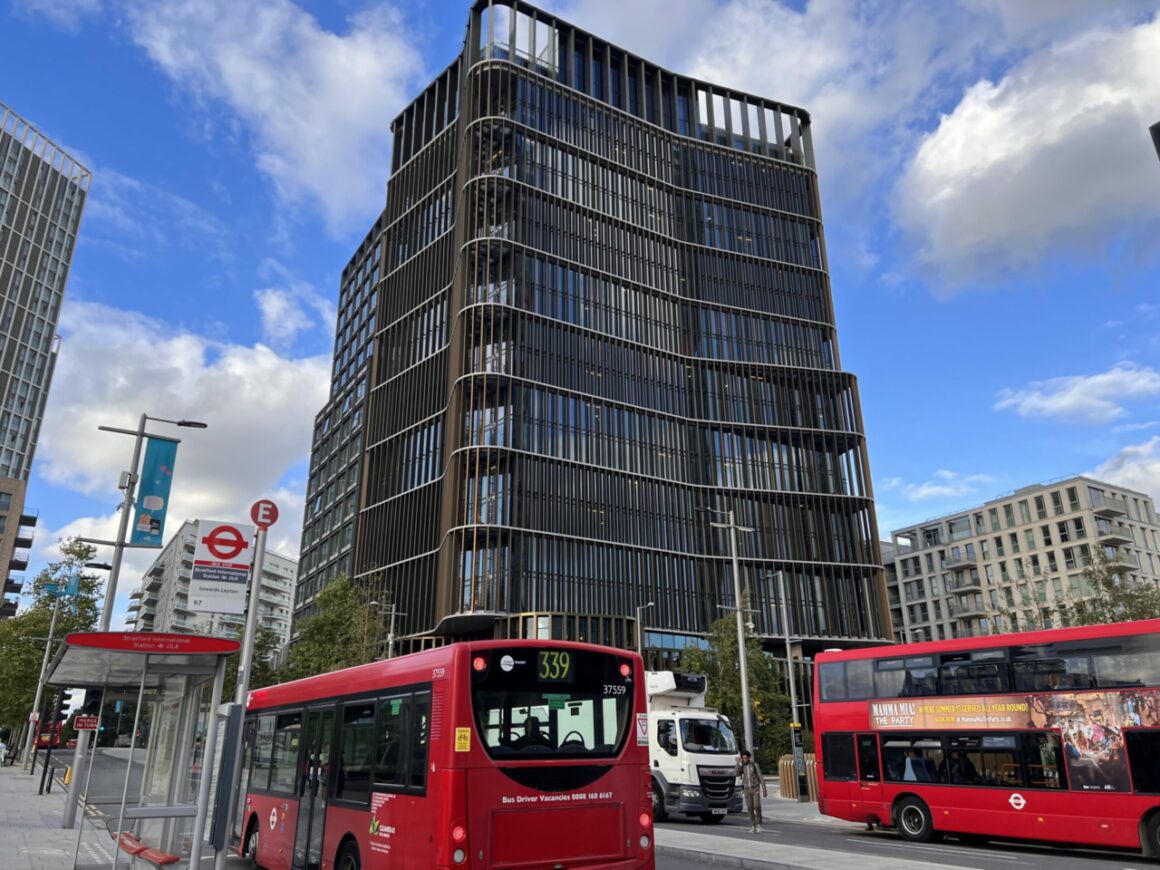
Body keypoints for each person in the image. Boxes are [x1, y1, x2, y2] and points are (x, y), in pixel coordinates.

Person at [735, 749, 767, 833]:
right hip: (746, 790)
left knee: (757, 806)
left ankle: (759, 824)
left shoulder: (754, 765)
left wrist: (764, 789)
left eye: (746, 758)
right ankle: (753, 825)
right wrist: (737, 763)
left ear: (749, 758)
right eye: (743, 758)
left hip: (755, 788)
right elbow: (736, 774)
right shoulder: (742, 766)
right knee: (750, 808)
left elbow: (761, 777)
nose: (744, 760)